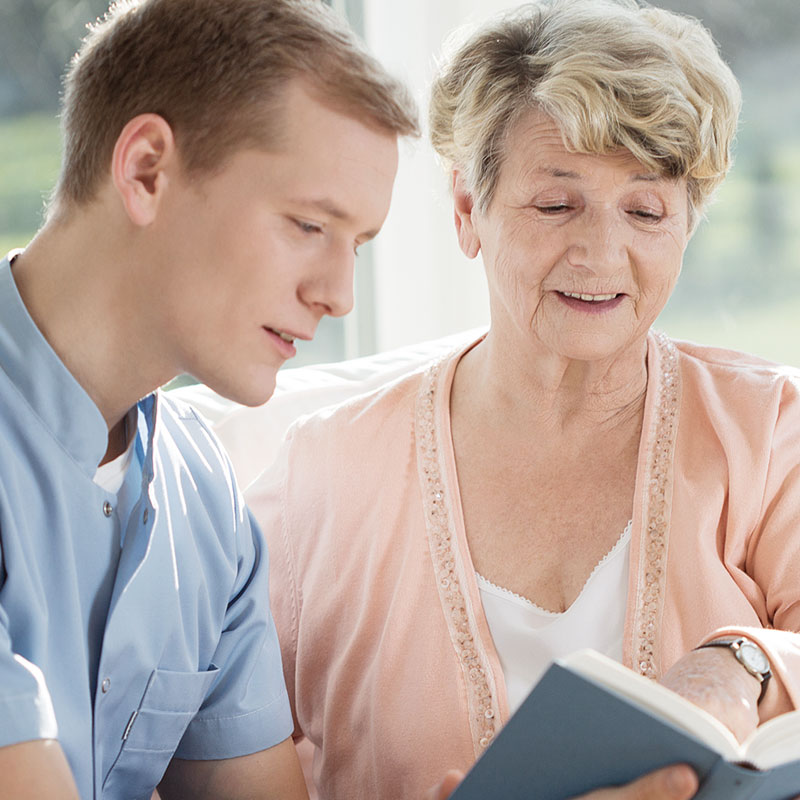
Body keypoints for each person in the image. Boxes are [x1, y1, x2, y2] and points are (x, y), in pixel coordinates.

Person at [245, 1, 800, 798]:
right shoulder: (322, 475)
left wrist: (741, 664)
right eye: (555, 205)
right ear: (468, 209)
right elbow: (200, 749)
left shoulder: (772, 432)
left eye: (645, 211)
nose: (601, 253)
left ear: (687, 223)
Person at [0, 0, 418, 797]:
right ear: (146, 171)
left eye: (357, 246)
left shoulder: (204, 501)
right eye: (309, 225)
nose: (338, 295)